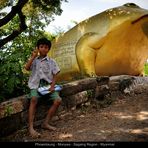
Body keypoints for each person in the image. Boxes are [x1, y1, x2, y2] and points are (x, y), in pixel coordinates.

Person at [25, 37, 62, 138]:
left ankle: (45, 123)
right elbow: (27, 68)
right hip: (35, 85)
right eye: (41, 47)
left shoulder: (51, 61)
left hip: (48, 86)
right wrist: (33, 57)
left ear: (48, 49)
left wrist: (53, 86)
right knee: (33, 99)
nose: (43, 49)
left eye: (46, 47)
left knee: (58, 100)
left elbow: (55, 74)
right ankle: (31, 128)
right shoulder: (34, 61)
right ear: (38, 48)